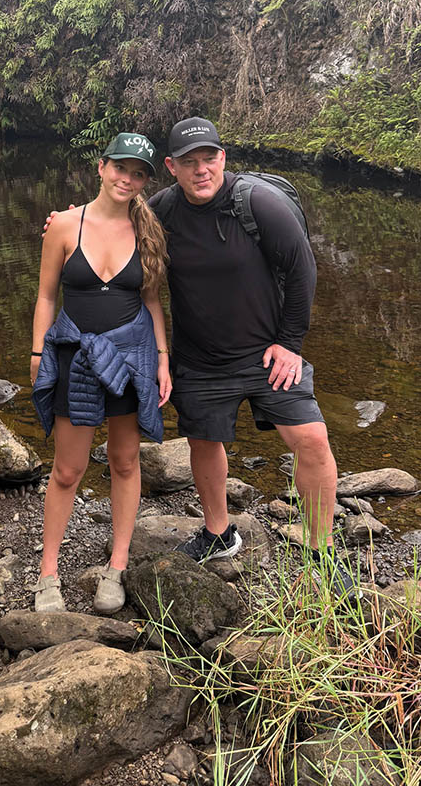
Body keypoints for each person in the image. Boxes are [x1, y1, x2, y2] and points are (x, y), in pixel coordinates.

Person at [147, 117, 343, 584]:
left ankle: (322, 552)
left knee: (312, 440)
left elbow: (302, 270)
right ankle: (218, 534)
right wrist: (71, 222)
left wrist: (290, 345)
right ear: (171, 167)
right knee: (203, 441)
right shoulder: (160, 212)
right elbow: (113, 233)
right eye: (189, 162)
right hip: (200, 358)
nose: (201, 170)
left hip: (266, 354)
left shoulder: (257, 204)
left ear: (223, 158)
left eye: (208, 158)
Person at [31, 133, 172, 615]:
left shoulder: (147, 231)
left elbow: (151, 301)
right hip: (75, 357)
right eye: (120, 168)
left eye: (138, 174)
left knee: (125, 461)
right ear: (101, 167)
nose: (126, 179)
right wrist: (38, 353)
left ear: (146, 181)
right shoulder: (64, 225)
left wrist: (162, 358)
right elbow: (46, 295)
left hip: (131, 360)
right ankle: (48, 573)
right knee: (67, 469)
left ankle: (117, 565)